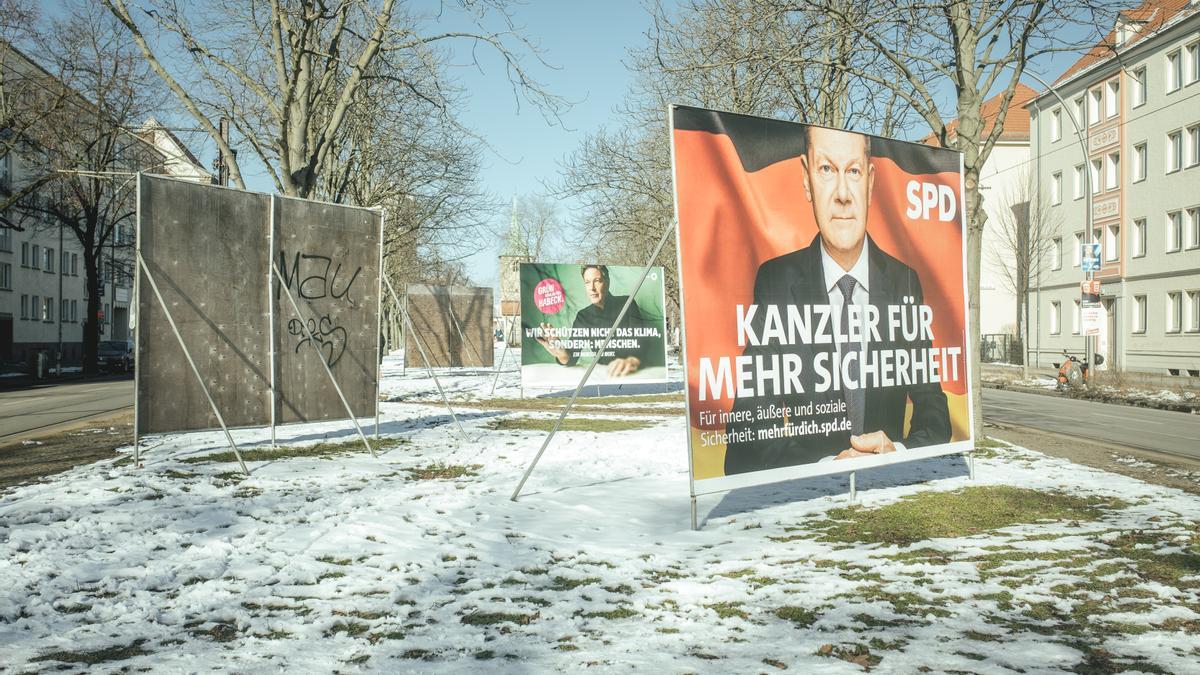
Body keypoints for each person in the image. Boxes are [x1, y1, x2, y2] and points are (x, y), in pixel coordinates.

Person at [723, 126, 951, 475]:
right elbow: (747, 431)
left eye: (854, 171)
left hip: (887, 495)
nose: (843, 194)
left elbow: (934, 415)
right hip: (811, 500)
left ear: (871, 182)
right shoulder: (777, 282)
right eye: (827, 169)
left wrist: (897, 452)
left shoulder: (905, 281)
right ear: (806, 178)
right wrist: (825, 467)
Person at [533, 265, 656, 377]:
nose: (591, 288)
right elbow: (571, 356)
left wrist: (632, 360)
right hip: (605, 375)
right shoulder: (583, 316)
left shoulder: (627, 303)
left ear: (607, 282)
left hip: (634, 374)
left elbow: (643, 342)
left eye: (597, 281)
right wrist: (561, 353)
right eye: (587, 282)